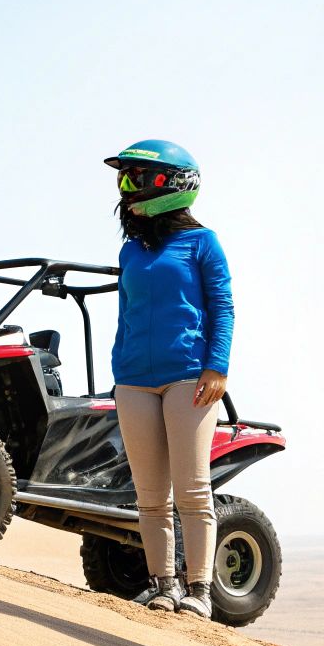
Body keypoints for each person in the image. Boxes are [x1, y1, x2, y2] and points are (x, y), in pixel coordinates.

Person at [105, 140, 233, 619]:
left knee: (193, 488)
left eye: (136, 177)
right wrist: (119, 369)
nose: (126, 188)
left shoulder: (203, 243)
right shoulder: (130, 251)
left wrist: (217, 366)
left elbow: (222, 307)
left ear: (173, 183)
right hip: (134, 381)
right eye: (124, 178)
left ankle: (199, 590)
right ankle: (164, 585)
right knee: (150, 493)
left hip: (189, 378)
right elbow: (125, 314)